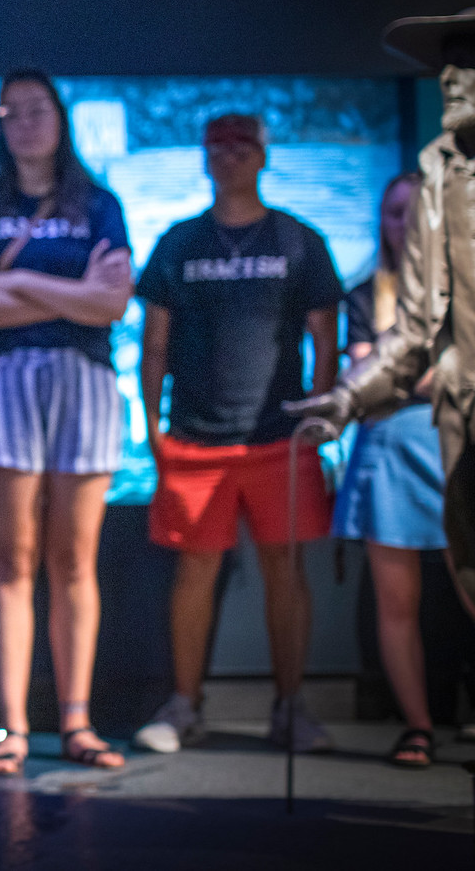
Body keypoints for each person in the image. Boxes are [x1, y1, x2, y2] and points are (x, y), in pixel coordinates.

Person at [288, 5, 475, 747]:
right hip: (469, 430)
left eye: (468, 62)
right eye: (442, 66)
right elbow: (414, 329)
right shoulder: (436, 174)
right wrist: (347, 400)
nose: (448, 78)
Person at [132, 112, 343, 756]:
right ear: (204, 158)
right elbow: (155, 342)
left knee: (285, 566)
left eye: (241, 147)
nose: (227, 158)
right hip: (195, 438)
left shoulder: (298, 240)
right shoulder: (179, 243)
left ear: (262, 156)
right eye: (216, 148)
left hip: (279, 437)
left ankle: (290, 707)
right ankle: (184, 705)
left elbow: (325, 335)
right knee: (195, 569)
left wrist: (320, 415)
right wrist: (151, 429)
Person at [0, 70, 133, 775]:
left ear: (60, 117)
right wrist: (71, 292)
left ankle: (79, 722)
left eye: (37, 109)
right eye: (11, 112)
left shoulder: (100, 203)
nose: (24, 122)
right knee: (12, 558)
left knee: (75, 558)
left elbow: (112, 305)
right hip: (5, 379)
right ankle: (14, 728)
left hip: (86, 379)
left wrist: (18, 281)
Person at [329, 172, 475, 768]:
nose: (406, 223)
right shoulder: (360, 295)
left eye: (418, 210)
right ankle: (417, 726)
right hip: (390, 458)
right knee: (395, 601)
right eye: (394, 212)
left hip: (462, 454)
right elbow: (366, 384)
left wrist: (396, 371)